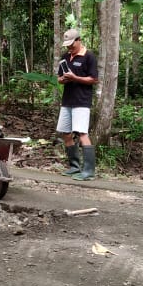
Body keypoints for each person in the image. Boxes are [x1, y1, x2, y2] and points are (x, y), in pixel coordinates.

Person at [56, 28, 99, 181]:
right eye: (67, 45)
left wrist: (75, 78)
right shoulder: (65, 57)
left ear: (79, 40)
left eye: (72, 44)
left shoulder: (89, 56)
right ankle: (74, 167)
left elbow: (94, 79)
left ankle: (88, 171)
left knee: (82, 133)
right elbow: (59, 78)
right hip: (67, 100)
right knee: (66, 133)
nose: (69, 47)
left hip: (82, 101)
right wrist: (63, 79)